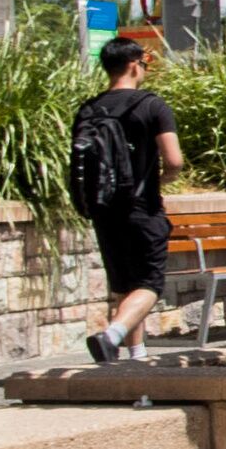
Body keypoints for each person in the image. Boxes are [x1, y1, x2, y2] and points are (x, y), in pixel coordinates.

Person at [73, 37, 183, 364]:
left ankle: (136, 357)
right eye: (145, 63)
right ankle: (113, 335)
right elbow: (174, 161)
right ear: (134, 64)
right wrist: (158, 180)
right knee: (149, 284)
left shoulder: (88, 109)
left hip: (104, 209)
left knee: (124, 284)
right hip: (141, 206)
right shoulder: (151, 106)